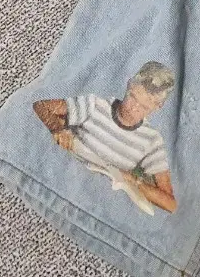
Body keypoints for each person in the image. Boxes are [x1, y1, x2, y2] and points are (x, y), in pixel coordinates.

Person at [32, 61, 177, 214]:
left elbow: (170, 204)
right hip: (59, 182)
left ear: (157, 107)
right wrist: (58, 128)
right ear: (129, 85)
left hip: (97, 207)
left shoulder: (152, 140)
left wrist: (134, 181)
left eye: (143, 107)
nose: (133, 108)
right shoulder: (95, 106)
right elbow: (41, 105)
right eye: (133, 97)